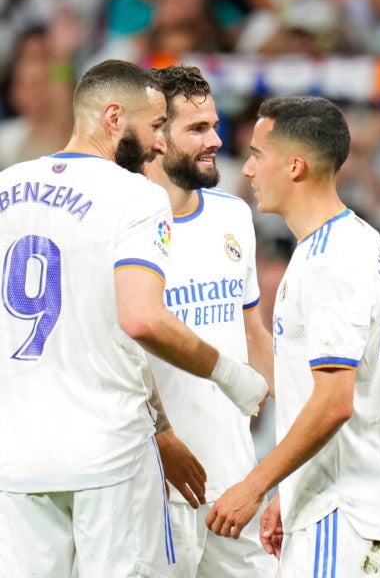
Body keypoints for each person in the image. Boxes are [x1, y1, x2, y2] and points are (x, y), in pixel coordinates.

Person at [0, 59, 268, 578]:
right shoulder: (134, 197)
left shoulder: (7, 185)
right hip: (110, 452)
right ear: (115, 118)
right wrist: (232, 375)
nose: (159, 144)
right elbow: (142, 319)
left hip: (16, 453)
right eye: (155, 127)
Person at [205, 96, 380, 577]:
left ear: (295, 165)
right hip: (337, 502)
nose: (250, 170)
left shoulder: (330, 260)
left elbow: (335, 400)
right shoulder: (350, 236)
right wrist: (291, 485)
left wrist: (255, 483)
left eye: (258, 155)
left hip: (340, 513)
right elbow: (319, 388)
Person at [142, 64, 277, 578]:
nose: (216, 140)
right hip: (154, 480)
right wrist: (160, 434)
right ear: (156, 135)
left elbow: (252, 331)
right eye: (197, 129)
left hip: (234, 481)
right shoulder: (123, 223)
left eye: (215, 125)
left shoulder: (232, 215)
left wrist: (287, 443)